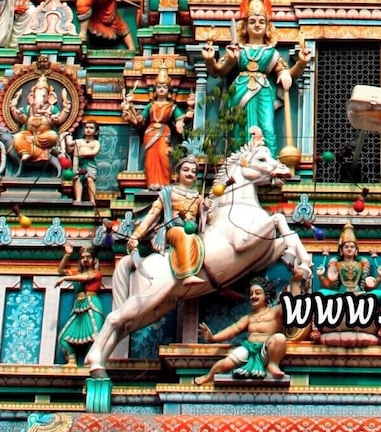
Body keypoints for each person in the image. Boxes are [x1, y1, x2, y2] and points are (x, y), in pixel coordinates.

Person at [201, 0, 312, 156]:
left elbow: (287, 74)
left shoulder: (272, 53)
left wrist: (300, 63)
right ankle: (239, 161)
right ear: (245, 26)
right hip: (240, 90)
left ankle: (268, 161)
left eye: (262, 21)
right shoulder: (238, 50)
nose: (257, 25)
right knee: (239, 127)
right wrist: (210, 60)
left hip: (264, 92)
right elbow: (219, 71)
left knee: (267, 127)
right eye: (252, 21)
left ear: (268, 26)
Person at [118, 155, 210, 296]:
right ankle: (187, 274)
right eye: (186, 170)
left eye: (193, 171)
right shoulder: (168, 192)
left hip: (193, 230)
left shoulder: (198, 197)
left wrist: (206, 209)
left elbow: (207, 219)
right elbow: (152, 215)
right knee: (183, 235)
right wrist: (136, 236)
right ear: (177, 174)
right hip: (174, 230)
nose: (190, 173)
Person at [195, 273, 304, 384]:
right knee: (225, 363)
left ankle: (272, 365)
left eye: (257, 293)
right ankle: (208, 376)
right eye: (251, 293)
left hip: (266, 350)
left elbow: (293, 306)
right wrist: (213, 338)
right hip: (249, 349)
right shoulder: (248, 317)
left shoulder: (275, 312)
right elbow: (233, 329)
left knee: (280, 338)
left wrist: (295, 282)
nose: (253, 296)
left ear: (266, 296)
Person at [121, 66, 194, 190]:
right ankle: (152, 184)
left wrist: (188, 113)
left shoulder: (172, 106)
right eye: (159, 87)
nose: (161, 89)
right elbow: (140, 121)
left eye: (164, 87)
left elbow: (181, 120)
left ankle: (164, 185)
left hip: (164, 133)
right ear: (155, 90)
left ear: (169, 90)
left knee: (163, 155)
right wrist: (131, 106)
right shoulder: (151, 105)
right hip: (150, 133)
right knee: (151, 158)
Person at [55, 243, 105, 367]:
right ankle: (71, 362)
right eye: (82, 257)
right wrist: (68, 254)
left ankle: (89, 362)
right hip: (78, 307)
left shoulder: (96, 273)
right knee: (64, 337)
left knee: (95, 336)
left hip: (92, 305)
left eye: (88, 257)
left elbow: (86, 278)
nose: (85, 260)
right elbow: (61, 270)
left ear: (94, 260)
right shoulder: (76, 273)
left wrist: (65, 279)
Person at [10, 75, 70, 163]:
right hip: (29, 133)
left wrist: (65, 109)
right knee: (17, 137)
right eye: (37, 95)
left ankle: (33, 144)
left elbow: (60, 120)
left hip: (44, 135)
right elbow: (23, 121)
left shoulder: (52, 108)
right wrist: (18, 112)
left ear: (50, 97)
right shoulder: (29, 108)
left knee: (53, 136)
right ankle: (26, 152)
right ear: (32, 97)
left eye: (43, 96)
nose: (40, 98)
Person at [317, 222, 381, 300]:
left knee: (380, 293)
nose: (349, 249)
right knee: (321, 293)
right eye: (346, 247)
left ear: (356, 250)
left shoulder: (361, 263)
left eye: (352, 247)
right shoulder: (337, 264)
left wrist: (380, 277)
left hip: (359, 294)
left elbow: (369, 286)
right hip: (341, 294)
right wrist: (321, 276)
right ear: (341, 250)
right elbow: (329, 285)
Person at [63, 120, 101, 203]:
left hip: (89, 163)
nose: (88, 129)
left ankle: (92, 200)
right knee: (77, 179)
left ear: (96, 132)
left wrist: (84, 153)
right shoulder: (79, 141)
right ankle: (78, 199)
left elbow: (95, 152)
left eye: (91, 128)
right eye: (87, 127)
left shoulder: (95, 143)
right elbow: (70, 148)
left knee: (90, 179)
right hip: (79, 163)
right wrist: (67, 137)